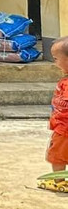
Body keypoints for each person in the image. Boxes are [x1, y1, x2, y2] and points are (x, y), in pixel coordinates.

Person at [46, 37, 68, 173]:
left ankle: (58, 179)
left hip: (64, 129)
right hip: (61, 126)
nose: (55, 63)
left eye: (56, 59)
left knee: (57, 156)